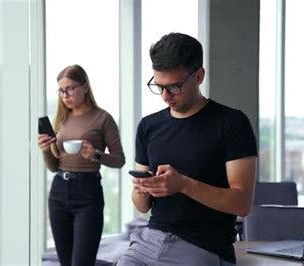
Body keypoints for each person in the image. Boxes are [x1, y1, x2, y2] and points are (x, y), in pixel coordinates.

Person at [117, 33, 257, 265]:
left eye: (173, 87)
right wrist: (142, 190)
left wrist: (183, 185)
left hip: (203, 246)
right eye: (158, 86)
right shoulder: (148, 126)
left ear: (199, 76)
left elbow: (242, 204)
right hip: (148, 241)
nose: (165, 96)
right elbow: (142, 206)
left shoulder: (231, 123)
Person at [38, 64, 125, 266]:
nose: (65, 95)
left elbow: (119, 160)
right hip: (58, 192)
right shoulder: (60, 119)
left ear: (85, 87)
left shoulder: (103, 118)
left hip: (88, 194)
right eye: (61, 90)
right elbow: (54, 166)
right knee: (65, 263)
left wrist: (95, 154)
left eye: (70, 88)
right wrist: (44, 150)